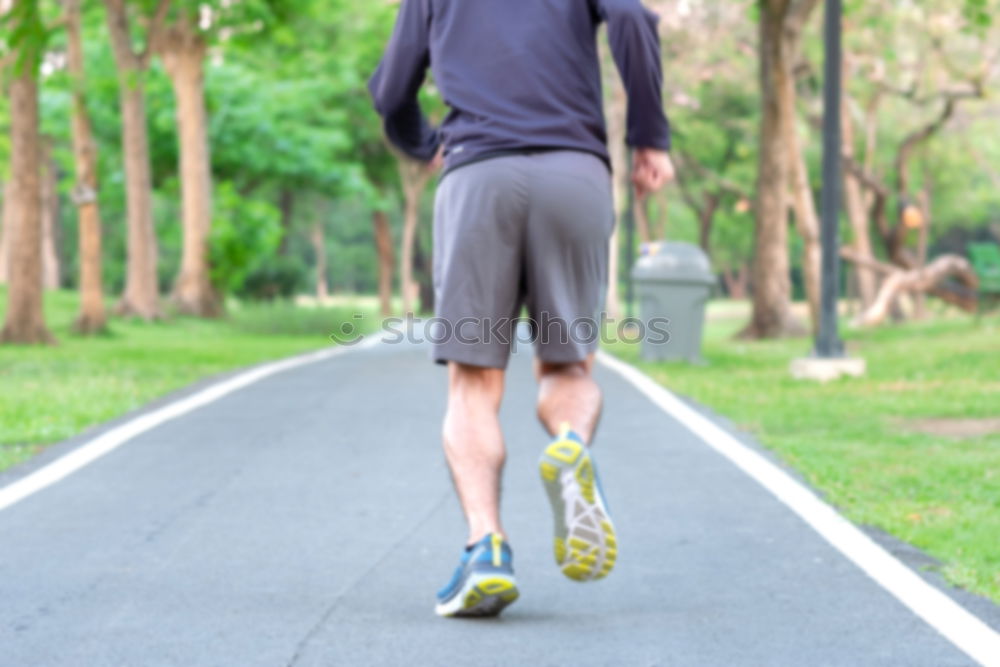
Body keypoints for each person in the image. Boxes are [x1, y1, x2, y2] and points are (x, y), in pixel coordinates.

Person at [370, 0, 674, 618]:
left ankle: (486, 550)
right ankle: (570, 445)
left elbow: (390, 90)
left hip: (479, 175)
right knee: (569, 369)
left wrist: (424, 143)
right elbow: (636, 21)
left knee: (473, 385)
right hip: (575, 175)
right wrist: (649, 138)